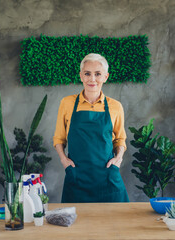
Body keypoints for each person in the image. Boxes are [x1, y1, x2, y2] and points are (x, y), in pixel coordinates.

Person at [53, 53, 129, 203]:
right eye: (87, 73)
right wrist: (63, 160)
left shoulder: (115, 106)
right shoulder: (67, 103)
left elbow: (120, 139)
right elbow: (59, 138)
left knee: (116, 222)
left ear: (106, 77)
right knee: (76, 224)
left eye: (98, 74)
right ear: (81, 76)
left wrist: (118, 158)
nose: (92, 79)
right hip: (77, 178)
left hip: (107, 176)